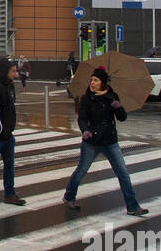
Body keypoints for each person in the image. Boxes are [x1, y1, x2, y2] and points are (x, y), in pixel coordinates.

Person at [63, 66, 147, 216]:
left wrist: (119, 107)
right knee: (82, 170)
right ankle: (69, 196)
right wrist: (85, 130)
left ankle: (133, 206)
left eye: (96, 80)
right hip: (92, 142)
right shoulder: (86, 98)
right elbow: (82, 118)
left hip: (110, 141)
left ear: (103, 82)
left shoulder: (113, 96)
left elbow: (122, 118)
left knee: (123, 173)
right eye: (91, 80)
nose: (92, 83)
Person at [0, 58, 26, 206]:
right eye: (13, 71)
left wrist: (9, 128)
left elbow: (10, 108)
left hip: (8, 135)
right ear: (4, 72)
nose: (15, 74)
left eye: (15, 71)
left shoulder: (10, 86)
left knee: (9, 165)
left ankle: (9, 194)